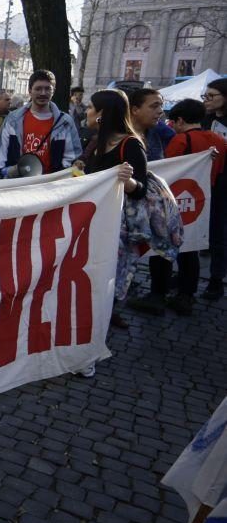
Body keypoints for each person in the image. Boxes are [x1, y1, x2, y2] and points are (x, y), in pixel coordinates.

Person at [79, 90, 148, 345]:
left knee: (105, 282)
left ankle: (96, 333)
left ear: (102, 114)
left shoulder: (131, 144)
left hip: (116, 231)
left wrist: (127, 182)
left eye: (90, 107)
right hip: (93, 225)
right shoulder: (98, 141)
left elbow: (141, 190)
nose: (86, 111)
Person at [154, 99, 227, 313]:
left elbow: (169, 172)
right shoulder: (219, 141)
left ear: (180, 120)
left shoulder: (180, 140)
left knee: (170, 246)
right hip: (203, 200)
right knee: (191, 249)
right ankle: (187, 294)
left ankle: (164, 290)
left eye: (173, 121)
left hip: (178, 201)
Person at [0, 70, 80, 177]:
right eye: (38, 89)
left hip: (49, 187)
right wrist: (9, 172)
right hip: (18, 185)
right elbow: (1, 157)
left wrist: (57, 178)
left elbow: (72, 157)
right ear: (30, 91)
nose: (43, 93)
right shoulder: (13, 120)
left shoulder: (65, 122)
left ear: (53, 91)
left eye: (47, 88)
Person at [201, 78, 227, 298]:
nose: (206, 101)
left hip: (224, 184)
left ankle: (216, 280)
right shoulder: (205, 120)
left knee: (220, 231)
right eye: (205, 96)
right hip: (204, 181)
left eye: (211, 96)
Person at [129, 88, 172, 161]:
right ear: (135, 110)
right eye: (154, 106)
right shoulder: (116, 138)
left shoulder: (160, 134)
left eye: (161, 106)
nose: (161, 111)